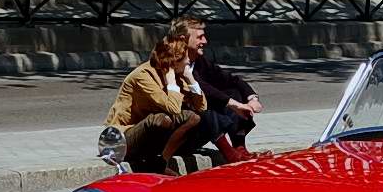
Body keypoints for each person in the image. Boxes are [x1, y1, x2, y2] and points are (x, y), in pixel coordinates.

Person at [103, 36, 207, 172]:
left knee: (193, 117)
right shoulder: (143, 75)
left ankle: (161, 161)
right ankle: (153, 163)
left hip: (148, 137)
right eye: (185, 58)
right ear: (174, 61)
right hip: (120, 139)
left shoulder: (177, 75)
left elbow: (202, 107)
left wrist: (190, 78)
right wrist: (171, 81)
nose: (188, 61)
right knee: (160, 119)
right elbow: (173, 108)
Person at [168, 17, 263, 159]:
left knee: (234, 92)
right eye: (200, 37)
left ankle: (240, 148)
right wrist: (234, 104)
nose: (205, 41)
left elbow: (231, 80)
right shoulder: (170, 61)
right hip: (175, 136)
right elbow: (202, 87)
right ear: (183, 39)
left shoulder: (199, 61)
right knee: (202, 106)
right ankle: (230, 154)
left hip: (199, 131)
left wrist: (252, 99)